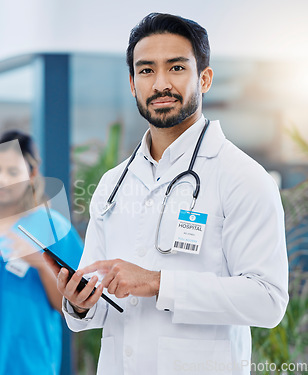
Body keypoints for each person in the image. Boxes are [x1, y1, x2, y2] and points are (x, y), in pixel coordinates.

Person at [45, 13, 289, 375]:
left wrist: (158, 283)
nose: (160, 84)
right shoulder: (113, 184)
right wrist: (80, 304)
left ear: (204, 78)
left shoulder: (243, 178)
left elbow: (268, 301)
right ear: (131, 83)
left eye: (176, 68)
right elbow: (98, 306)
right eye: (145, 71)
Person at [0, 130, 83, 375]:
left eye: (12, 172)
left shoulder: (55, 228)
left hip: (27, 364)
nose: (1, 179)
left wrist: (41, 263)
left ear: (31, 175)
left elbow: (71, 306)